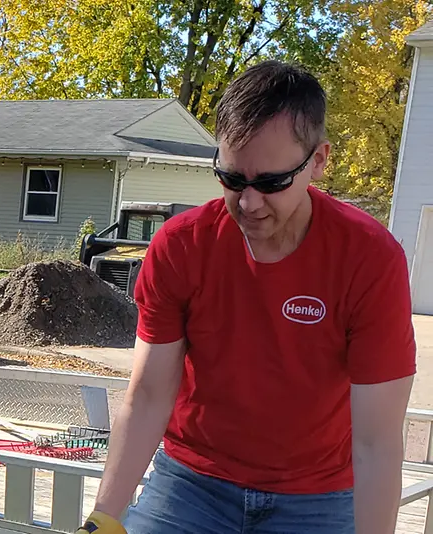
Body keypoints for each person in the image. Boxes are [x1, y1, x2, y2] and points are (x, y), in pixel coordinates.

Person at [77, 60, 417, 533]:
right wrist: (105, 520)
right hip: (192, 484)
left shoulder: (369, 259)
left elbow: (377, 442)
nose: (250, 202)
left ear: (318, 160)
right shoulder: (181, 247)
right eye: (232, 179)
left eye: (272, 182)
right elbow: (150, 394)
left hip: (319, 496)